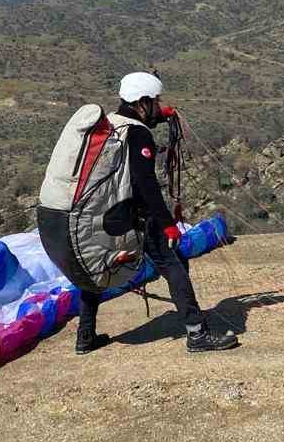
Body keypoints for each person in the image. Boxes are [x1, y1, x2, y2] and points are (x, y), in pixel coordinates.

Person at [73, 73, 237, 355]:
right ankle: (197, 333)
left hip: (101, 217)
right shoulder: (138, 134)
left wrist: (165, 115)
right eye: (156, 101)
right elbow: (146, 186)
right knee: (173, 264)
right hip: (134, 216)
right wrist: (168, 225)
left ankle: (85, 337)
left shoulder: (112, 123)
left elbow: (140, 121)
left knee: (96, 272)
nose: (159, 105)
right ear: (143, 102)